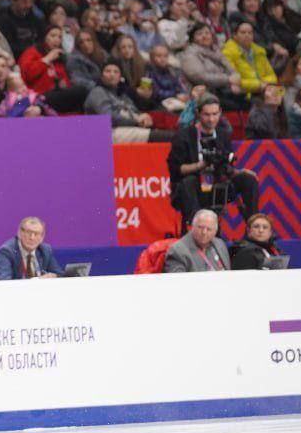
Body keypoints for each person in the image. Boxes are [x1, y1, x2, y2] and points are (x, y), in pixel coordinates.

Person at [167, 95, 260, 229]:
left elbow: (225, 164)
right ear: (198, 113)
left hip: (218, 185)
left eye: (215, 114)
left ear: (220, 112)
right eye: (206, 115)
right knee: (188, 182)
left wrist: (238, 172)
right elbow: (176, 170)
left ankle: (254, 225)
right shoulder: (184, 136)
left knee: (248, 179)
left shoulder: (223, 134)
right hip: (193, 188)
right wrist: (201, 165)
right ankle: (196, 227)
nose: (211, 119)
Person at [85, 60, 173, 143]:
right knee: (168, 137)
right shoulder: (97, 92)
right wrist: (136, 122)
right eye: (108, 71)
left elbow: (134, 112)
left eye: (116, 72)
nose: (112, 74)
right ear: (101, 76)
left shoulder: (122, 95)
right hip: (107, 133)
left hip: (127, 129)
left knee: (169, 133)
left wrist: (143, 117)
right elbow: (108, 117)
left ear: (120, 78)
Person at [0, 217, 64, 280]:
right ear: (20, 233)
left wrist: (53, 276)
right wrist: (37, 280)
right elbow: (4, 281)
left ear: (42, 237)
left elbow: (59, 275)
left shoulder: (45, 250)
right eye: (29, 232)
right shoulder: (7, 251)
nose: (32, 237)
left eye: (36, 234)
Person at [163, 210, 231, 273]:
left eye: (209, 229)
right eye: (200, 227)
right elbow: (177, 282)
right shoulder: (178, 251)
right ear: (192, 226)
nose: (204, 232)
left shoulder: (220, 244)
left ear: (215, 232)